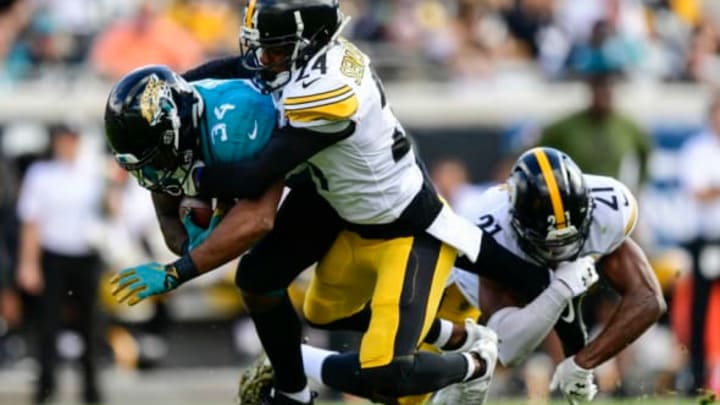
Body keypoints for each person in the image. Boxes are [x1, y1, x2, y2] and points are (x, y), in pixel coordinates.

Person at [126, 1, 498, 404]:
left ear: (308, 42)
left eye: (276, 48)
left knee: (384, 376)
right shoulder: (272, 72)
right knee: (269, 286)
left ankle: (476, 362)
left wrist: (178, 268)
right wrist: (168, 96)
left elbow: (258, 205)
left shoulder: (308, 95)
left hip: (388, 214)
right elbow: (235, 70)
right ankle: (295, 390)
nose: (263, 58)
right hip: (326, 186)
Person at [435, 147, 667, 403]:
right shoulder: (489, 230)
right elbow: (505, 348)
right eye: (549, 245)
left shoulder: (609, 207)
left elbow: (649, 299)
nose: (561, 253)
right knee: (417, 397)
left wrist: (582, 363)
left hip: (544, 283)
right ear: (516, 223)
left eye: (571, 239)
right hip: (463, 296)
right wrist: (561, 288)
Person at [15, 124, 105, 405]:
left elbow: (110, 212)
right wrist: (28, 264)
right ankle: (46, 385)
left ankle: (91, 387)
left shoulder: (94, 172)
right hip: (53, 255)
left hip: (86, 255)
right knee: (48, 324)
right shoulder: (41, 175)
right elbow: (32, 222)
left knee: (90, 324)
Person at [538, 73, 651, 190]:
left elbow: (646, 151)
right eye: (598, 89)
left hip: (611, 196)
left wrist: (639, 187)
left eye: (607, 90)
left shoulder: (627, 126)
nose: (603, 95)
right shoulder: (567, 126)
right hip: (576, 194)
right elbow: (537, 149)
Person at [677, 96, 720, 394]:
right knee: (700, 308)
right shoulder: (698, 149)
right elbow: (698, 191)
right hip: (707, 238)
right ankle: (696, 373)